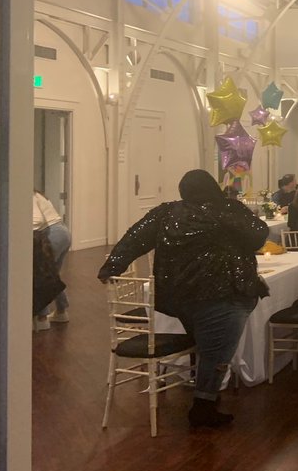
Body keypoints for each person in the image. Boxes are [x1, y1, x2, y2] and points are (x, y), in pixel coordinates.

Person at [97, 169, 269, 428]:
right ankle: (203, 407)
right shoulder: (227, 209)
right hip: (222, 293)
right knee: (215, 353)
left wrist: (111, 267)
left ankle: (204, 399)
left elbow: (134, 238)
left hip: (179, 298)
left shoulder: (166, 213)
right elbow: (258, 234)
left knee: (208, 348)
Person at [33, 191, 72, 330]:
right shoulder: (38, 194)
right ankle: (61, 311)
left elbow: (37, 220)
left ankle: (41, 318)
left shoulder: (28, 195)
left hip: (51, 235)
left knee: (41, 277)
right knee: (52, 275)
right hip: (62, 232)